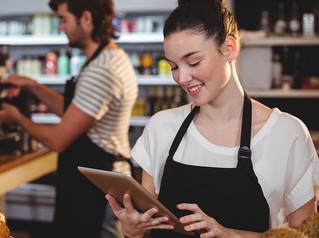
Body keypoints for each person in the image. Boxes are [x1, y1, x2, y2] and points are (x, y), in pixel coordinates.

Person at [106, 0, 318, 237]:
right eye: (174, 66)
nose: (182, 77)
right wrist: (132, 231)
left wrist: (229, 234)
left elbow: (305, 235)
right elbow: (148, 229)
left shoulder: (286, 134)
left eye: (193, 62)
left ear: (229, 48)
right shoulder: (162, 127)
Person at [0, 0, 138, 237]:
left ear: (87, 19)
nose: (61, 26)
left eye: (64, 19)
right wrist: (33, 86)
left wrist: (17, 119)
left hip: (101, 190)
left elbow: (59, 139)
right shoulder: (107, 57)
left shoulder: (102, 69)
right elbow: (75, 111)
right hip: (96, 182)